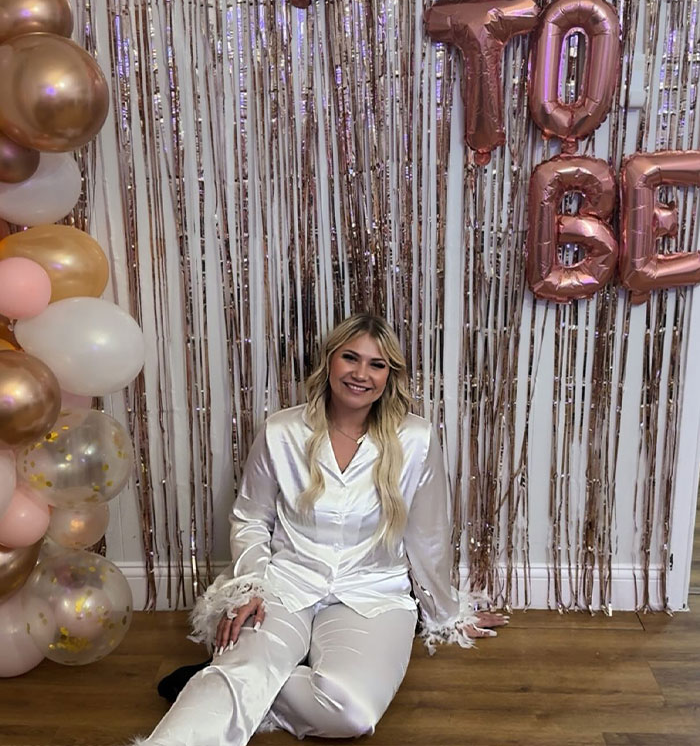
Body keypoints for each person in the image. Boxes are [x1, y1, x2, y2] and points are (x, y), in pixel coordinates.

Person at [137, 314, 505, 746]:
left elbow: (427, 538)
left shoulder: (416, 439)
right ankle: (237, 678)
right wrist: (251, 585)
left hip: (372, 595)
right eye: (350, 358)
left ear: (391, 376)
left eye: (377, 364)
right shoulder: (281, 430)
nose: (360, 374)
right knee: (246, 669)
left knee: (350, 713)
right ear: (329, 362)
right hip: (284, 585)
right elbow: (251, 518)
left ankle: (229, 682)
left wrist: (446, 614)